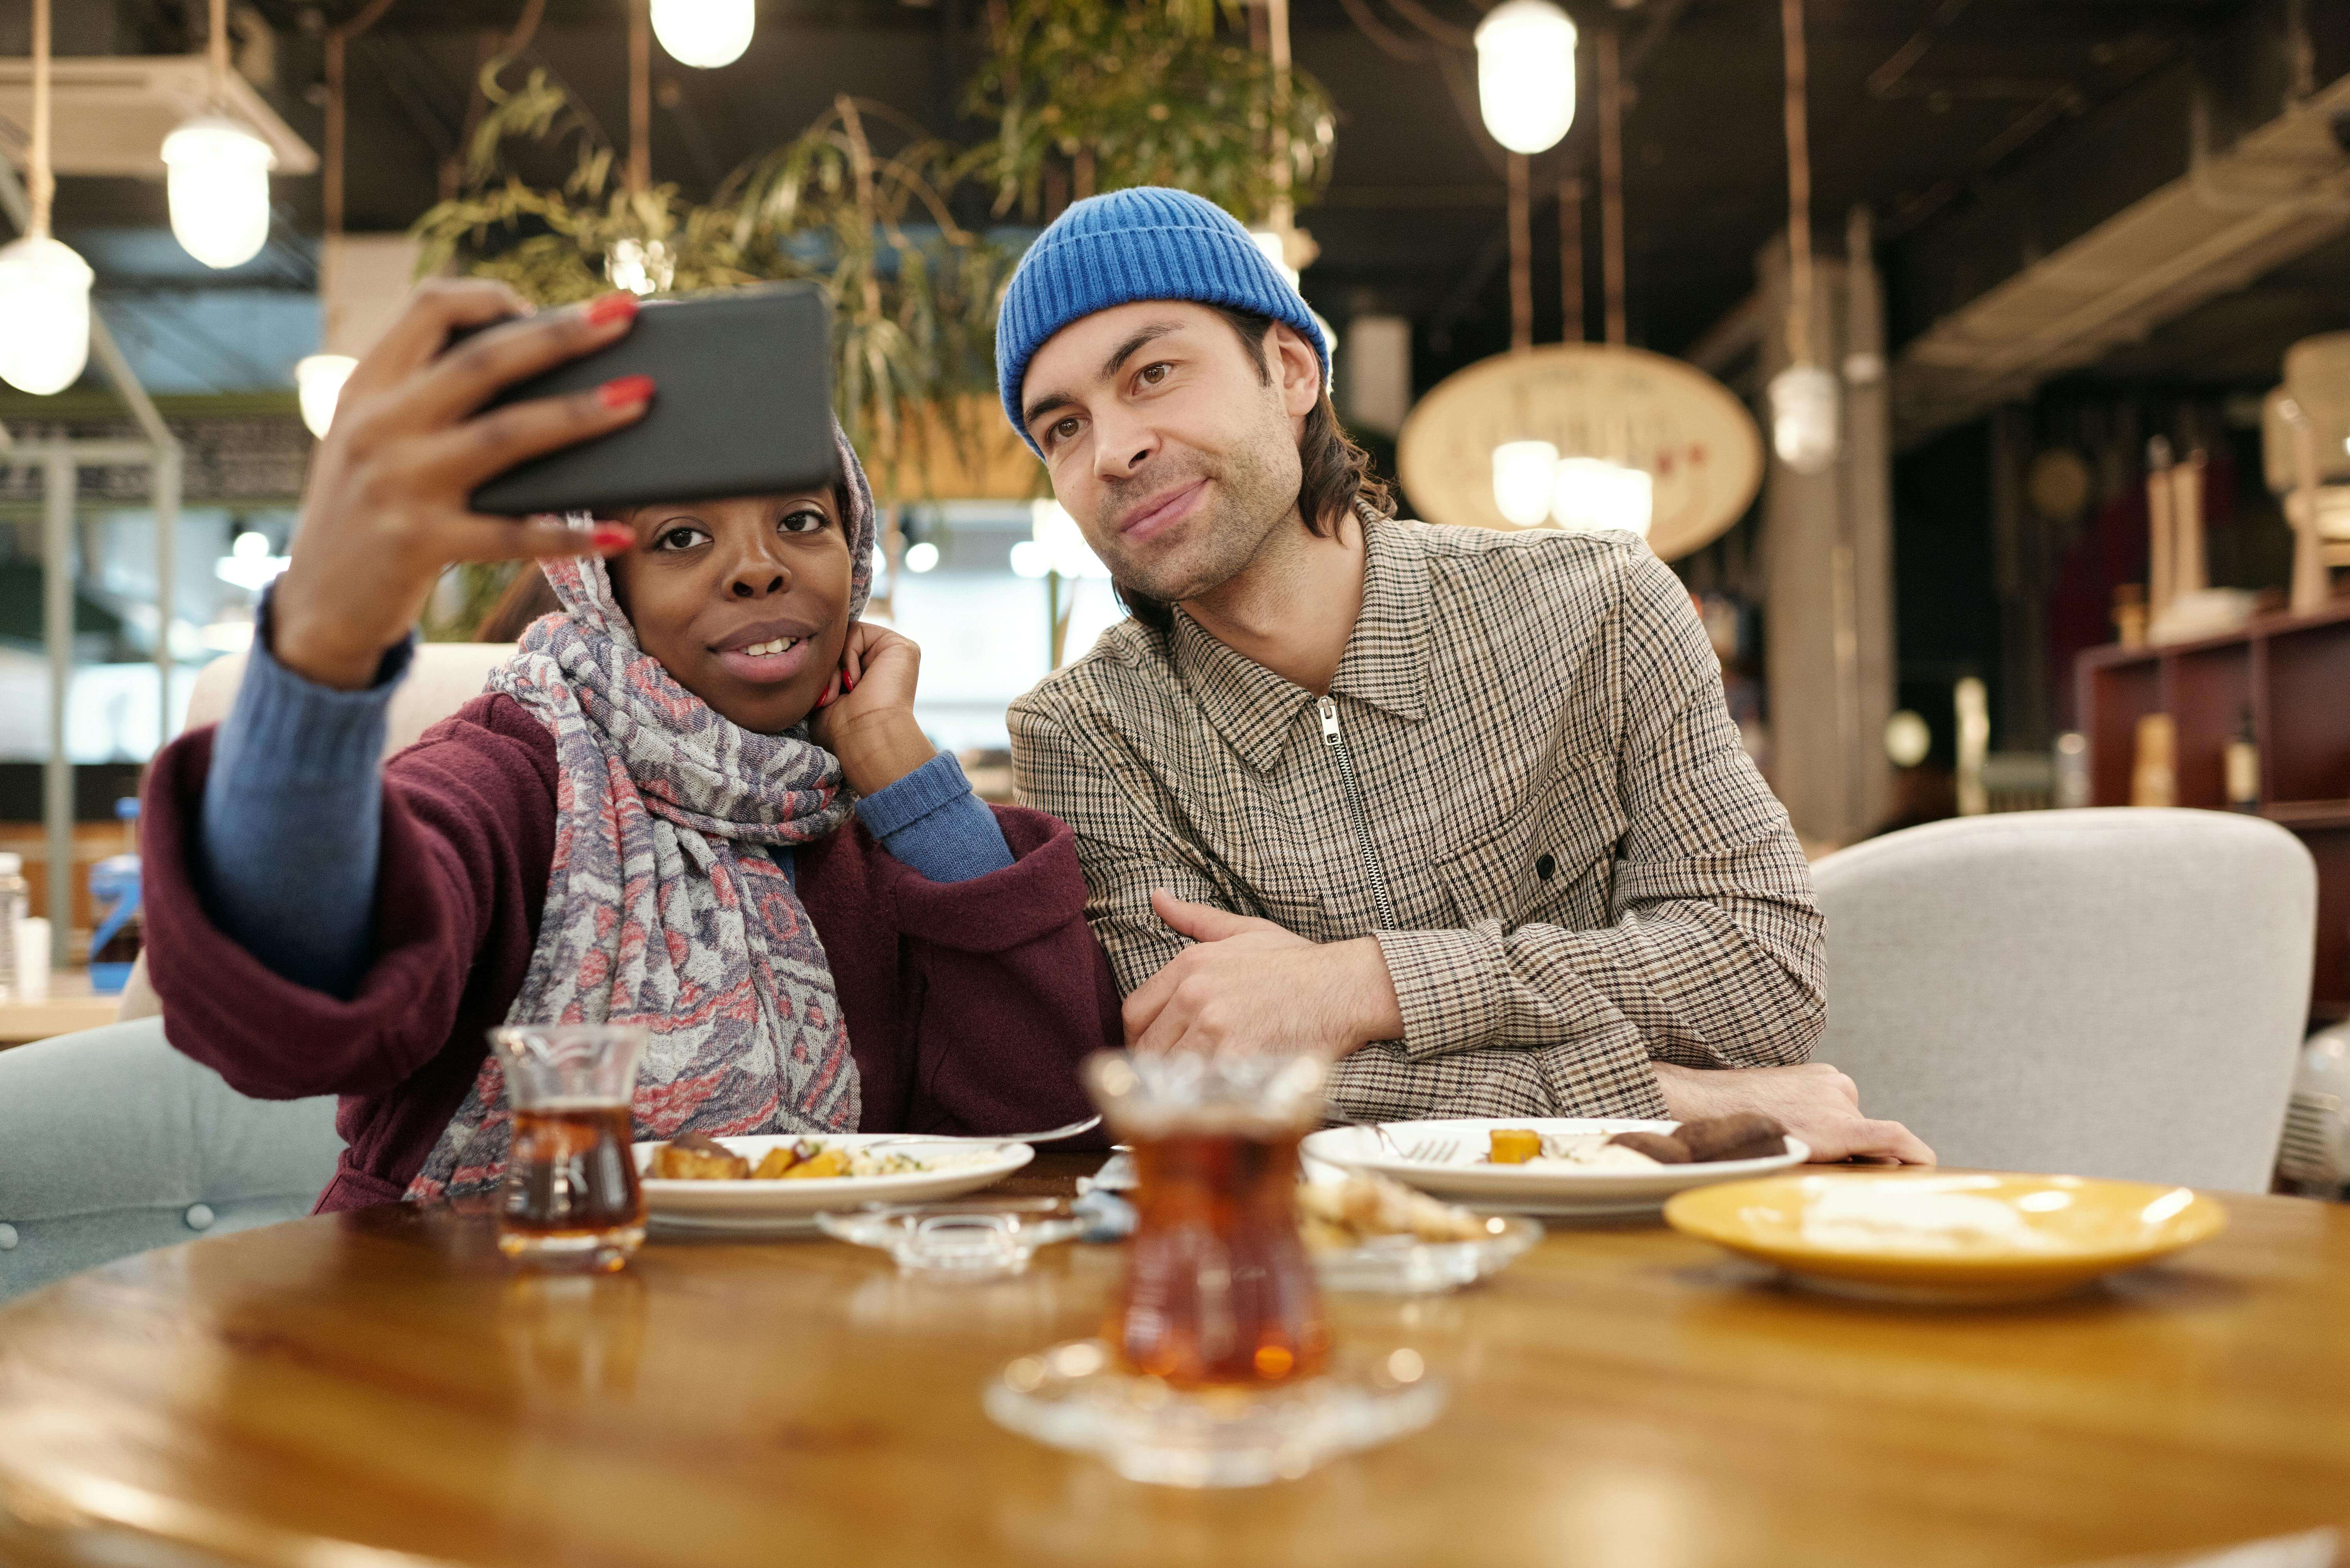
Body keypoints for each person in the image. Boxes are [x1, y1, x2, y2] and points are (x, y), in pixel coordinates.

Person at [998, 188, 1930, 1163]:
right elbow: (1199, 1086)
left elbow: (1762, 972)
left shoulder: (1600, 606)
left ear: (1287, 370)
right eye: (1061, 427)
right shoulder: (1088, 731)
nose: (1112, 450)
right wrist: (1667, 1091)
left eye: (1153, 373)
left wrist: (1363, 985)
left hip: (1647, 1257)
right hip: (1324, 1274)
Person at [142, 280, 1114, 1212]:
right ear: (608, 589)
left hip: (814, 1348)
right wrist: (322, 649)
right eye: (683, 537)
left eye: (803, 520)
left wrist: (908, 778)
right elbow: (292, 1005)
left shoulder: (868, 816)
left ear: (854, 548)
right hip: (464, 1332)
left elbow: (1043, 1122)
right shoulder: (522, 772)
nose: (758, 568)